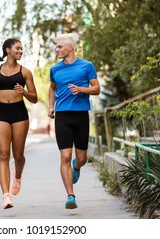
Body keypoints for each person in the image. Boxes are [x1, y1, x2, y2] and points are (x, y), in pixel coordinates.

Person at [47, 33, 100, 209]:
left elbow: (97, 89)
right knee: (65, 156)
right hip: (62, 116)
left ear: (71, 47)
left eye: (60, 46)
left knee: (81, 158)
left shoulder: (86, 66)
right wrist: (50, 105)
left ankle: (76, 167)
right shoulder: (55, 69)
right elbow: (52, 88)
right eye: (56, 46)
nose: (57, 49)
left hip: (81, 115)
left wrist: (81, 90)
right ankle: (71, 196)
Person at [0, 38, 38, 209]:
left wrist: (23, 92)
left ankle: (17, 176)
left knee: (18, 155)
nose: (20, 51)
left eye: (21, 49)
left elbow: (35, 98)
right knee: (3, 154)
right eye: (17, 48)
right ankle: (6, 196)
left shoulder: (25, 73)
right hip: (1, 113)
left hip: (19, 114)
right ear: (8, 50)